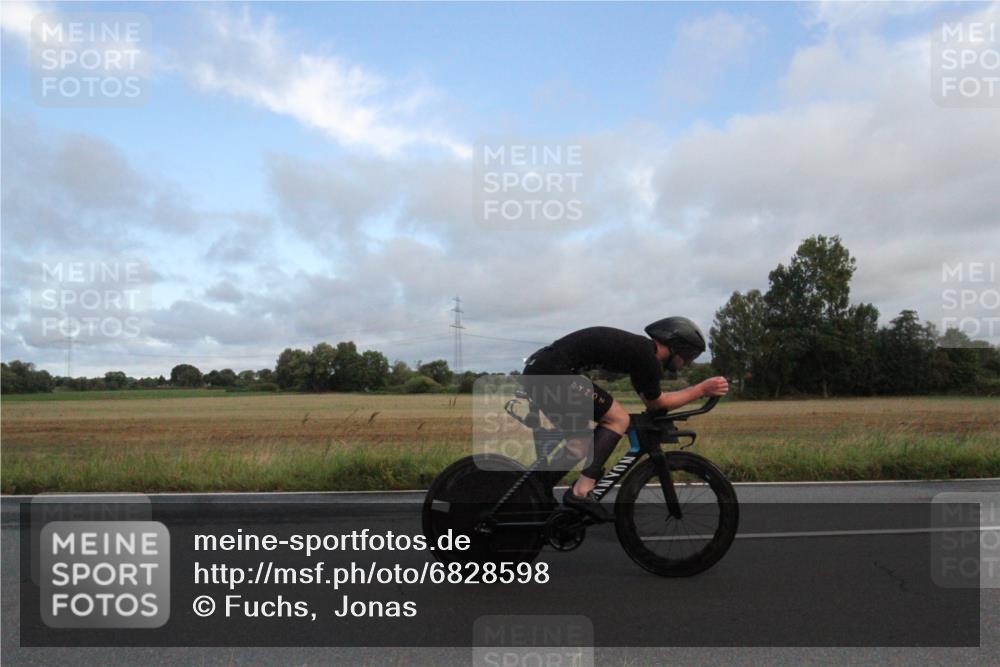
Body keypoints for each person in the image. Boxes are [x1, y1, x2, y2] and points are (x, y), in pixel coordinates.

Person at [520, 317, 729, 519]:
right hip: (552, 371)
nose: (686, 363)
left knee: (580, 440)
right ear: (676, 347)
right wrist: (701, 389)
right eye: (689, 356)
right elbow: (658, 403)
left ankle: (536, 492)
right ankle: (581, 492)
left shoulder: (640, 354)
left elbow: (652, 401)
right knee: (618, 419)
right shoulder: (648, 357)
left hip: (542, 368)